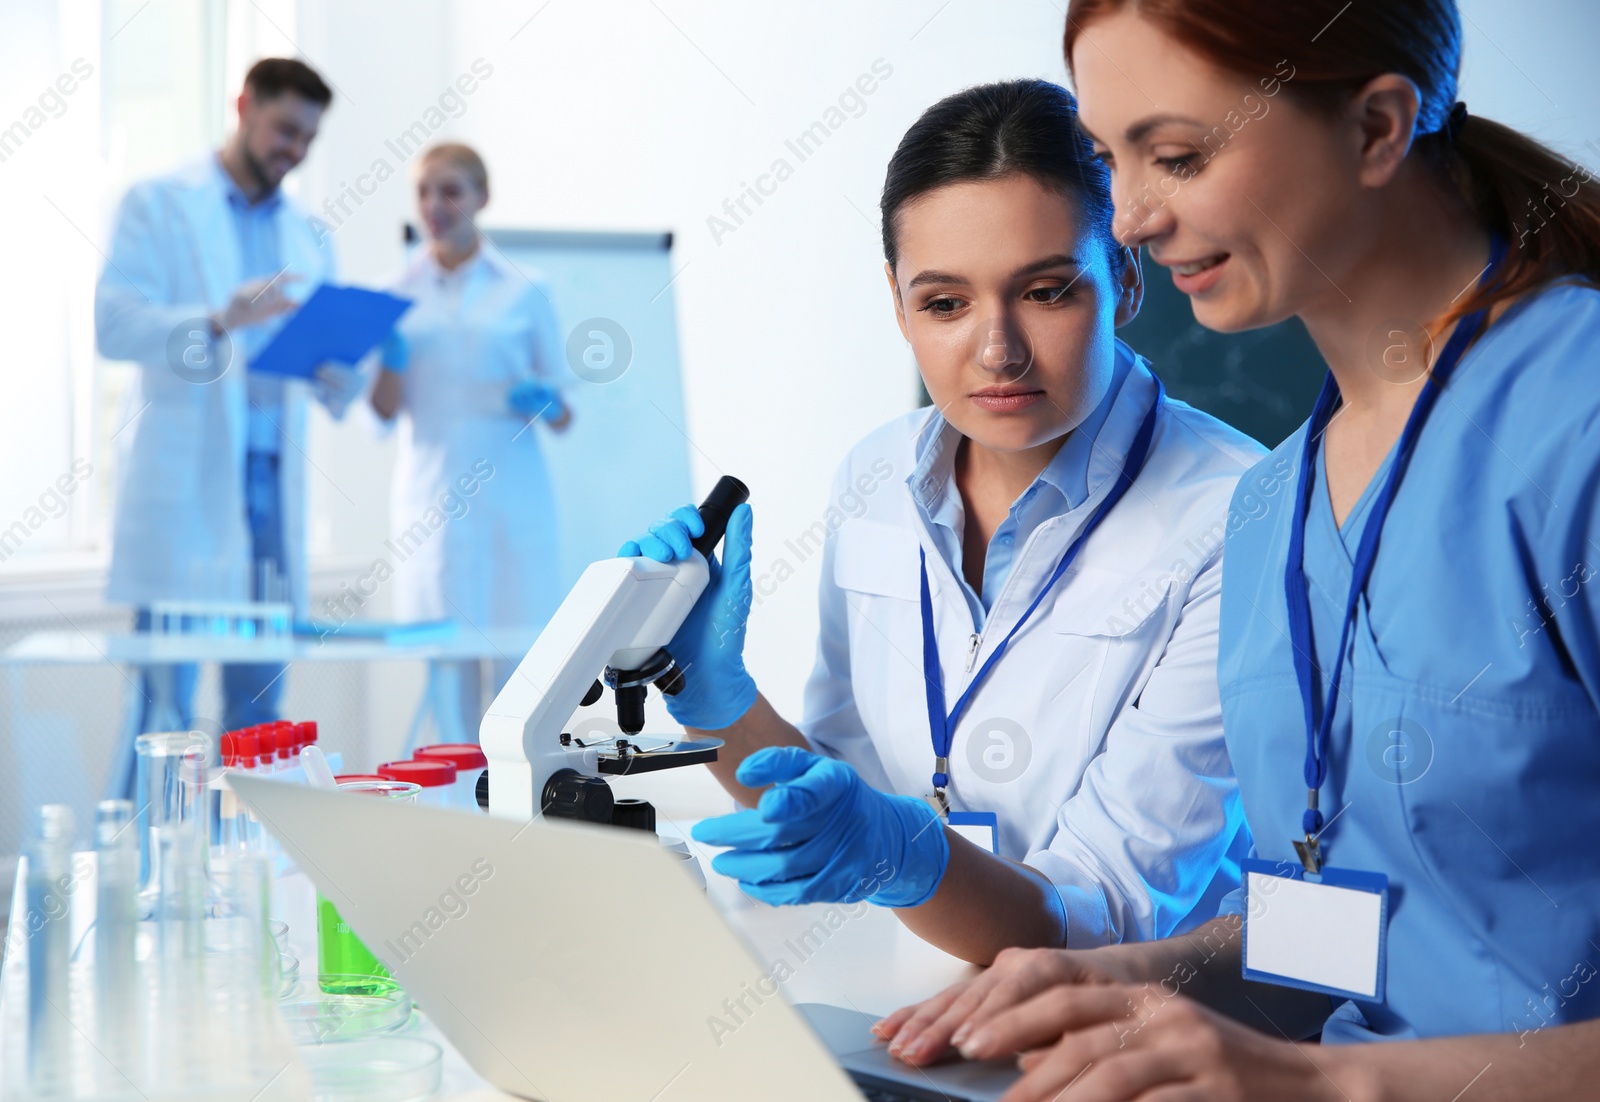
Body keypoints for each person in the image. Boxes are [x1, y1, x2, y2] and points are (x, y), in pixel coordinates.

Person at [879, 2, 1600, 1097]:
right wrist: (1129, 977)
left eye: (1174, 156)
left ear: (1374, 129)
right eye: (1109, 158)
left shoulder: (1576, 424)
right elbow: (1348, 937)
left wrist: (1320, 1085)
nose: (1125, 219)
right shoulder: (1272, 505)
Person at [626, 80, 1265, 964]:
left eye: (1045, 292)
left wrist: (897, 853)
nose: (997, 350)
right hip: (910, 990)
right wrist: (715, 702)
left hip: (1130, 1038)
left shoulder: (1240, 516)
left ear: (1122, 278)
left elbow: (1102, 911)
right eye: (945, 303)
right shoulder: (876, 475)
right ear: (897, 302)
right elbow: (834, 794)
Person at [96, 58, 365, 738]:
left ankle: (252, 844)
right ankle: (155, 842)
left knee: (259, 703)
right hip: (186, 480)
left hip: (272, 480)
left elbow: (313, 356)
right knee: (163, 709)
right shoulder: (156, 203)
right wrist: (218, 319)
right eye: (284, 130)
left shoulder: (307, 233)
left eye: (307, 139)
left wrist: (338, 369)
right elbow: (113, 324)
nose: (294, 151)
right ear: (242, 105)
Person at [370, 143, 570, 741]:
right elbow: (381, 412)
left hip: (514, 501)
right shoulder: (394, 293)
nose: (435, 205)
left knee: (519, 670)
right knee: (446, 675)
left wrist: (545, 399)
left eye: (450, 191)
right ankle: (458, 815)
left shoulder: (527, 291)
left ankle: (514, 816)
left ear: (482, 197)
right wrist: (390, 363)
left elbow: (564, 414)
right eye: (424, 192)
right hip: (433, 505)